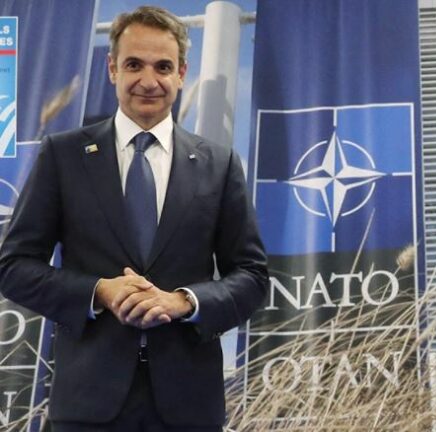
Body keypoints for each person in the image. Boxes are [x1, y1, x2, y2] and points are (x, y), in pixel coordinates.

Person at [0, 6, 268, 431]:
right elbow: (13, 267)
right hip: (88, 405)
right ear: (112, 69)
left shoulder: (219, 165)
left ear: (181, 74)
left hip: (188, 408)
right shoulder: (63, 156)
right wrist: (99, 292)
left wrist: (184, 301)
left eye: (163, 67)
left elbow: (252, 276)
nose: (148, 80)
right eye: (133, 65)